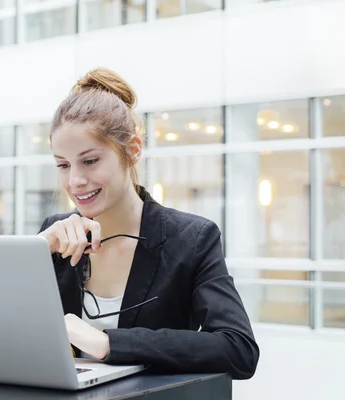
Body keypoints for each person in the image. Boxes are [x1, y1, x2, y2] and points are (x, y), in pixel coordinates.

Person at [37, 68, 259, 380]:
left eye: (90, 161)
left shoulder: (191, 239)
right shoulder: (55, 236)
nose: (75, 180)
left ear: (132, 151)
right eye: (63, 164)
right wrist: (36, 250)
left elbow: (238, 350)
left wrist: (107, 343)